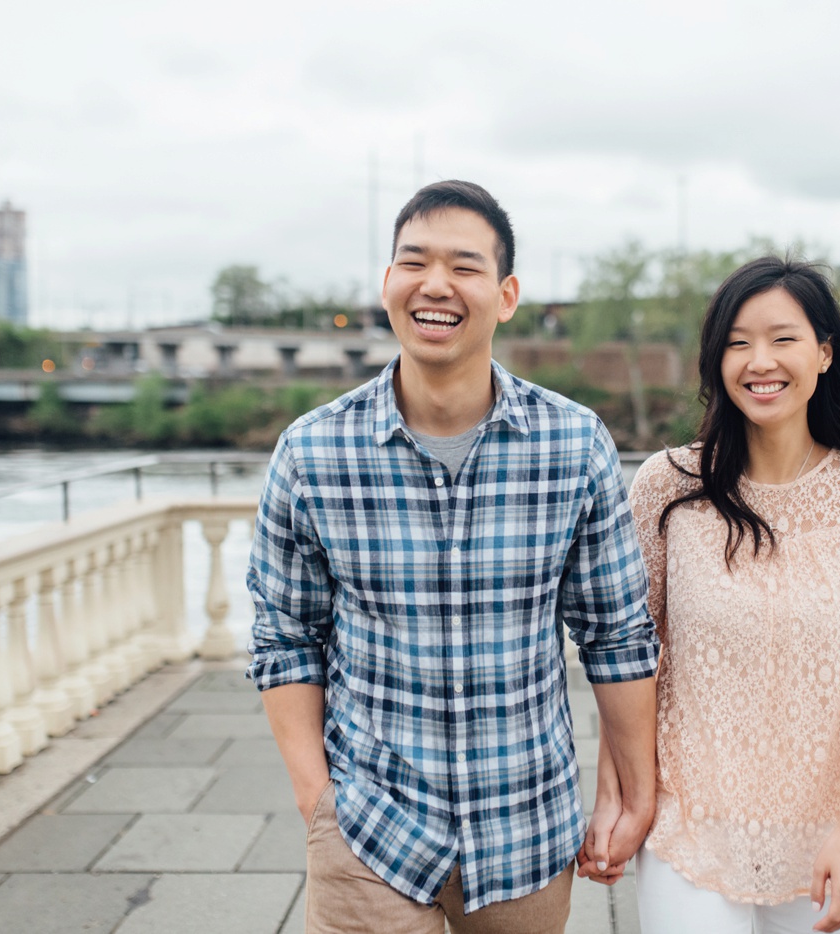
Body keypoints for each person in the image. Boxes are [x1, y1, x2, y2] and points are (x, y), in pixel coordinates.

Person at [247, 180, 659, 934]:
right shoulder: (311, 453)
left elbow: (617, 634)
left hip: (526, 828)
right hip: (368, 828)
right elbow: (285, 641)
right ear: (387, 285)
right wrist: (320, 804)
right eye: (414, 262)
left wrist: (632, 794)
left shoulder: (573, 445)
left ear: (505, 295)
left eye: (464, 266)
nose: (435, 284)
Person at [582, 256, 840, 933]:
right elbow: (632, 656)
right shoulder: (666, 486)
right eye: (737, 342)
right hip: (690, 820)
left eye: (782, 338)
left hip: (826, 824)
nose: (759, 360)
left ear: (824, 353)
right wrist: (615, 796)